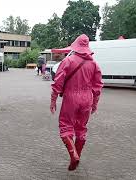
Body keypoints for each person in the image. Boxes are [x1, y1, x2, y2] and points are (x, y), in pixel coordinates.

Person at [50, 34, 103, 171]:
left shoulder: (68, 61)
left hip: (71, 98)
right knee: (81, 128)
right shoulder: (94, 64)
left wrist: (53, 100)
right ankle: (77, 154)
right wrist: (95, 103)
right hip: (87, 98)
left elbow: (58, 81)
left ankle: (73, 155)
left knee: (66, 126)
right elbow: (97, 87)